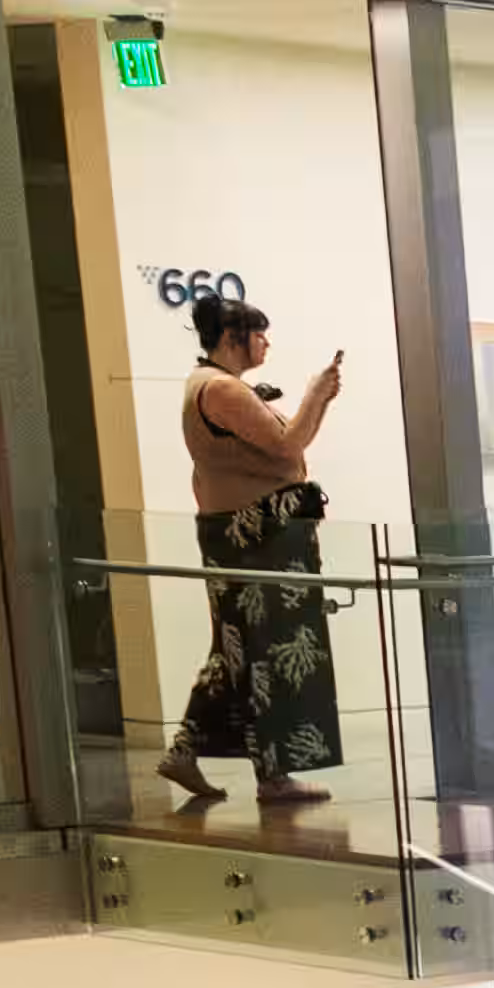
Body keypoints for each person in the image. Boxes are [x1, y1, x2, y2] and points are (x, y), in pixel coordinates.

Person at [159, 295, 345, 805]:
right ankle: (269, 774)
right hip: (253, 538)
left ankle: (199, 751)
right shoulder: (219, 388)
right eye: (258, 333)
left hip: (251, 535)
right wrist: (314, 394)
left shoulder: (214, 386)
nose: (266, 342)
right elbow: (289, 449)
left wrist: (318, 402)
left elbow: (290, 444)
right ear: (230, 337)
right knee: (263, 651)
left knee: (238, 650)